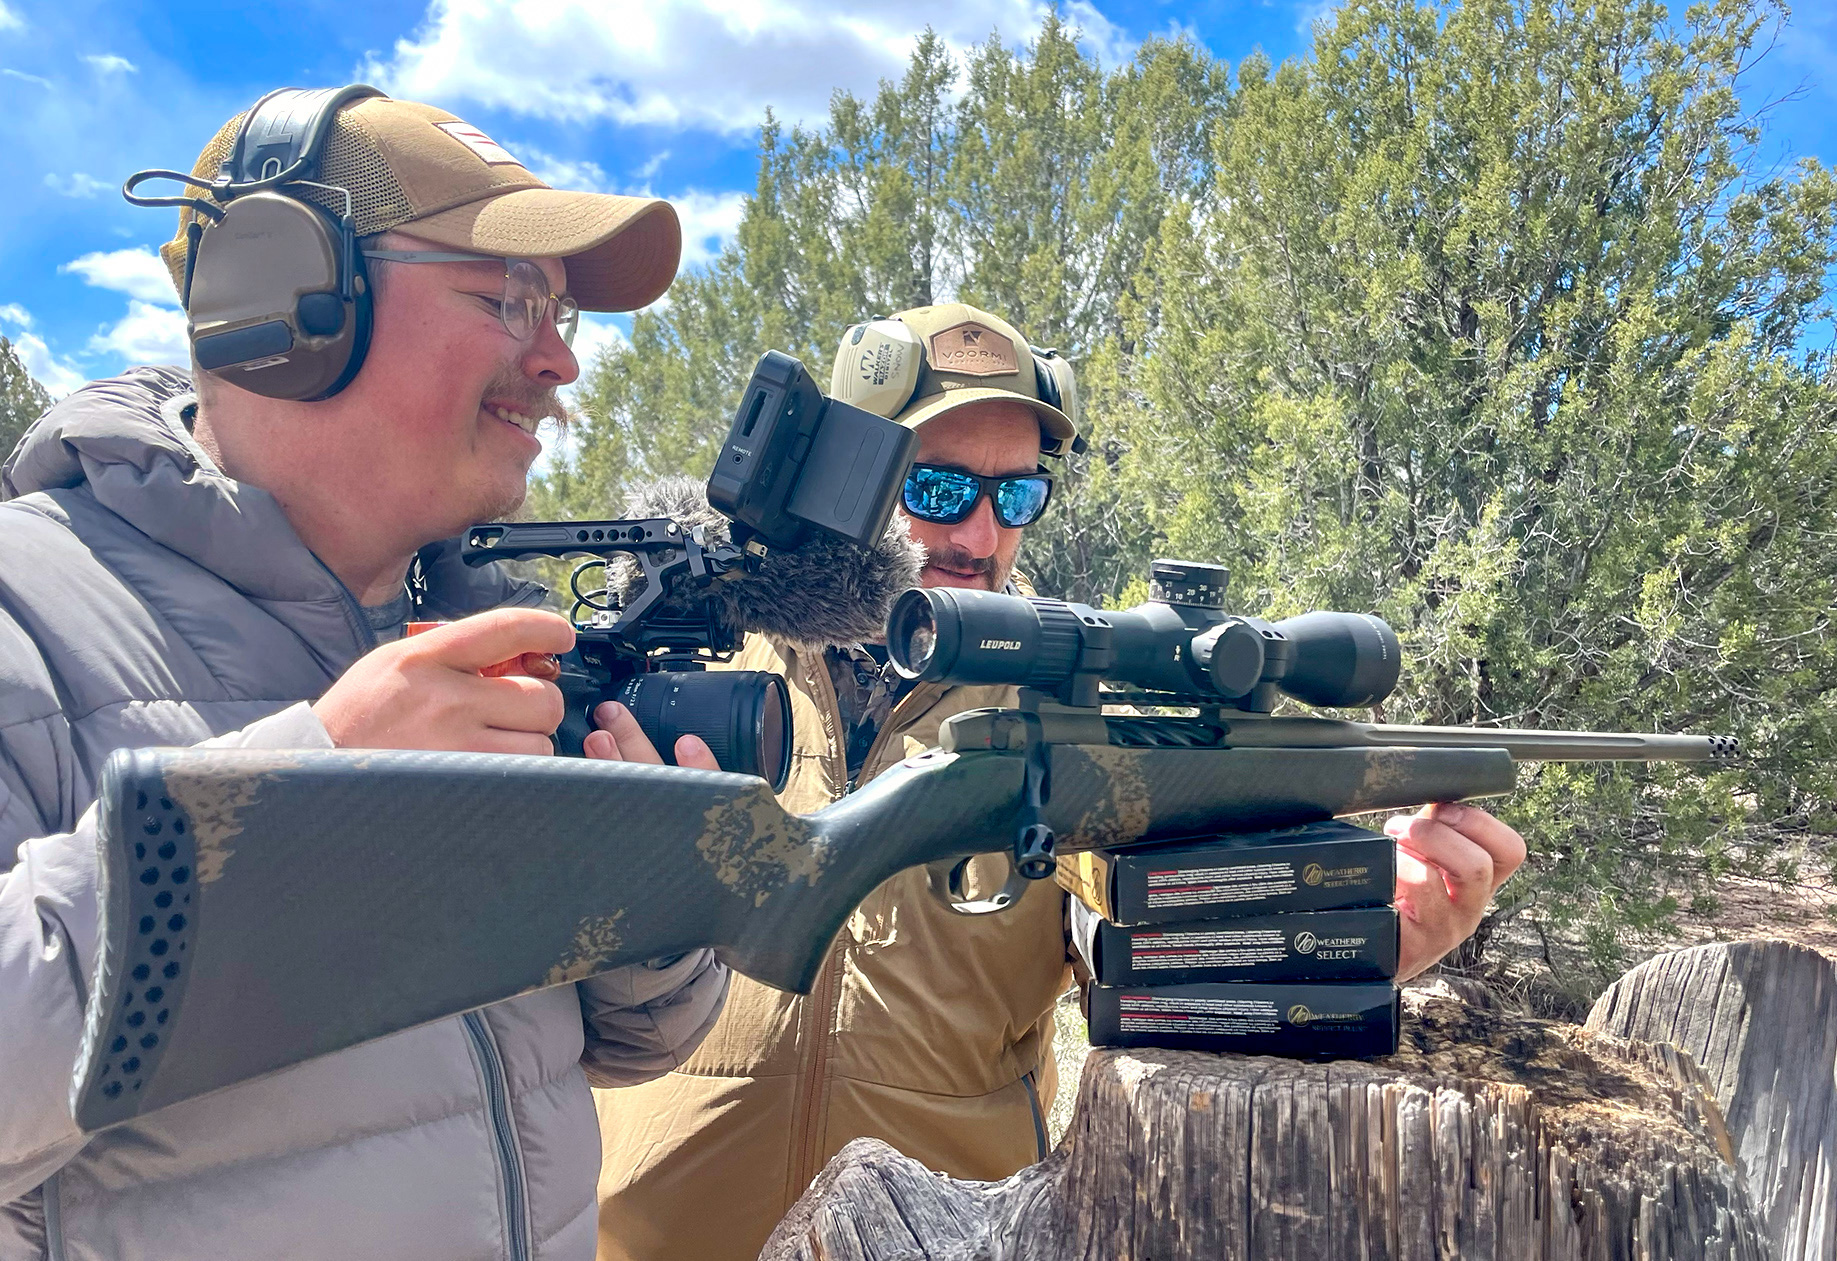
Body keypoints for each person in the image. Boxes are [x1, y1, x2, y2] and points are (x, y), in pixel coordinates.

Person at [590, 303, 1529, 1261]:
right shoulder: (684, 650)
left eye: (1019, 496)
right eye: (940, 487)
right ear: (846, 476)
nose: (983, 532)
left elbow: (1159, 957)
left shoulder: (1079, 711)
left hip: (931, 1238)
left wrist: (1352, 938)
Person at [0, 90, 728, 1259]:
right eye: (514, 299)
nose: (560, 361)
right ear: (284, 299)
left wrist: (647, 904)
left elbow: (633, 1045)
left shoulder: (487, 628)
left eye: (561, 313)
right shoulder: (22, 613)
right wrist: (308, 799)